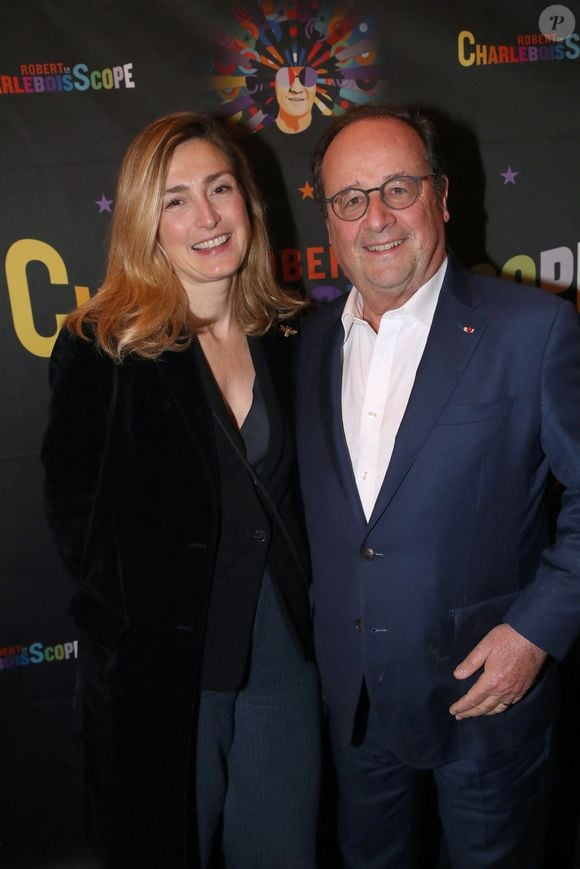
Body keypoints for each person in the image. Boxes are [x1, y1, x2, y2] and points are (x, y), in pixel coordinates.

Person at [294, 103, 580, 868]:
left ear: (443, 197)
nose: (376, 218)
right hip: (355, 701)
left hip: (485, 697)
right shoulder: (309, 343)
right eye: (350, 199)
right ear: (327, 220)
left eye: (398, 187)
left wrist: (533, 634)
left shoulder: (532, 329)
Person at [41, 111, 321, 869]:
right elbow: (74, 518)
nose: (206, 216)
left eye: (220, 188)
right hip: (162, 678)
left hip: (282, 666)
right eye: (175, 199)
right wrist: (139, 627)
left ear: (248, 202)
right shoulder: (103, 345)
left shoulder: (293, 335)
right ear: (145, 222)